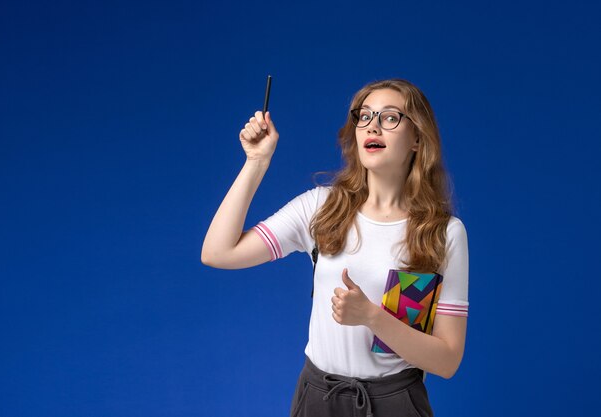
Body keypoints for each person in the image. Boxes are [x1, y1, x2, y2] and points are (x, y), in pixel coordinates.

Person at [201, 78, 469, 417]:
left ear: (417, 138)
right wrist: (256, 163)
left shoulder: (443, 233)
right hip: (318, 400)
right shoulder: (322, 207)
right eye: (365, 116)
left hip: (397, 402)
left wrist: (372, 317)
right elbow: (217, 252)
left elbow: (447, 361)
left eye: (389, 117)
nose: (373, 125)